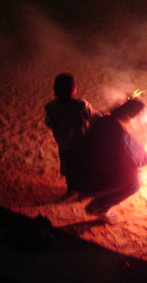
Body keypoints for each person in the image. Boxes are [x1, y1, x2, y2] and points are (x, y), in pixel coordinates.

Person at [70, 99, 147, 222]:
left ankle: (86, 192)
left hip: (77, 174)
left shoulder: (105, 121)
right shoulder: (120, 135)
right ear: (129, 116)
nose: (139, 123)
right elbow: (132, 163)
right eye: (137, 119)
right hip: (87, 181)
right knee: (135, 181)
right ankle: (98, 207)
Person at [44, 73, 104, 201]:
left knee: (68, 168)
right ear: (73, 90)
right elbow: (95, 117)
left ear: (55, 92)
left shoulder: (52, 108)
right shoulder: (81, 106)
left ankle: (70, 191)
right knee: (84, 168)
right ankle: (83, 193)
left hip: (64, 145)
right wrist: (104, 112)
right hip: (82, 145)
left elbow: (48, 123)